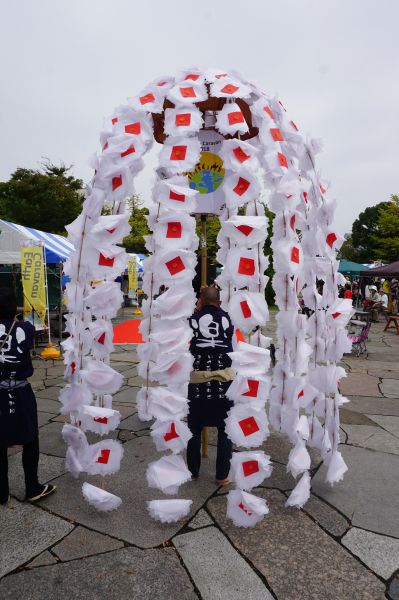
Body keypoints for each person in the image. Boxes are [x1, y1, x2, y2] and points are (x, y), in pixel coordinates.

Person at [0, 289, 56, 505]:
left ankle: (1, 491)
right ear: (15, 309)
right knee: (30, 437)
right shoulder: (27, 328)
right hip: (20, 390)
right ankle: (32, 486)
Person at [186, 286, 234, 485]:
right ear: (220, 303)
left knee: (194, 428)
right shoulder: (228, 320)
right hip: (224, 384)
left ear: (201, 301)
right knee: (225, 429)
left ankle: (193, 472)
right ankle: (222, 476)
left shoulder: (192, 320)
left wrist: (196, 311)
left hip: (198, 383)